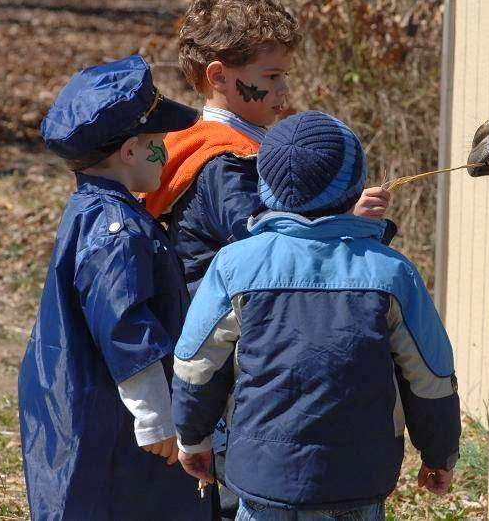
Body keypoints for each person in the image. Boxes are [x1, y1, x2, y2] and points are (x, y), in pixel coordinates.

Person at [142, 0, 392, 518]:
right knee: (240, 482)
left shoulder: (222, 146)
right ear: (218, 76)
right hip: (231, 344)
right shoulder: (224, 163)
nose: (284, 89)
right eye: (272, 76)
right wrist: (349, 225)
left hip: (232, 332)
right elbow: (266, 251)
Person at [171, 111, 461, 521]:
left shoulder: (234, 266)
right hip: (358, 480)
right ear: (355, 187)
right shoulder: (391, 273)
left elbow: (196, 365)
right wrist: (439, 452)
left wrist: (192, 438)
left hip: (260, 479)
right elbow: (430, 375)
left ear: (265, 187)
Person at [17, 55, 211, 520]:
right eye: (158, 142)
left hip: (92, 394)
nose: (167, 150)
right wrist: (156, 418)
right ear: (130, 152)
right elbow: (126, 325)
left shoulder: (94, 207)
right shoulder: (115, 228)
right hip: (104, 411)